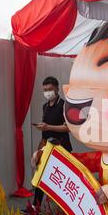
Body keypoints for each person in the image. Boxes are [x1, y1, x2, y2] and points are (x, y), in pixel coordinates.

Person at [31, 76, 72, 207]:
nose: (47, 92)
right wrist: (42, 127)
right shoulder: (45, 106)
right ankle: (35, 207)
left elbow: (68, 128)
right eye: (45, 90)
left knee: (63, 180)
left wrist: (48, 127)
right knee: (40, 175)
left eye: (49, 89)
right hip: (46, 146)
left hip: (61, 146)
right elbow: (47, 125)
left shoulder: (64, 105)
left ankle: (68, 209)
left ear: (57, 88)